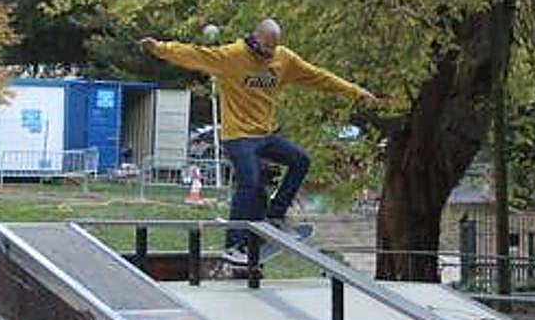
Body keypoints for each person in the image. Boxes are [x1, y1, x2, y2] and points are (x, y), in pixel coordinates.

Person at [139, 18, 376, 263]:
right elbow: (193, 54)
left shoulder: (284, 59)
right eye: (265, 48)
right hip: (238, 136)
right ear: (255, 38)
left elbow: (318, 76)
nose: (268, 54)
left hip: (265, 135)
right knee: (250, 182)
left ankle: (274, 217)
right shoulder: (232, 56)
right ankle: (233, 245)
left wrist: (355, 91)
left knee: (301, 160)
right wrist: (158, 48)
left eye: (273, 48)